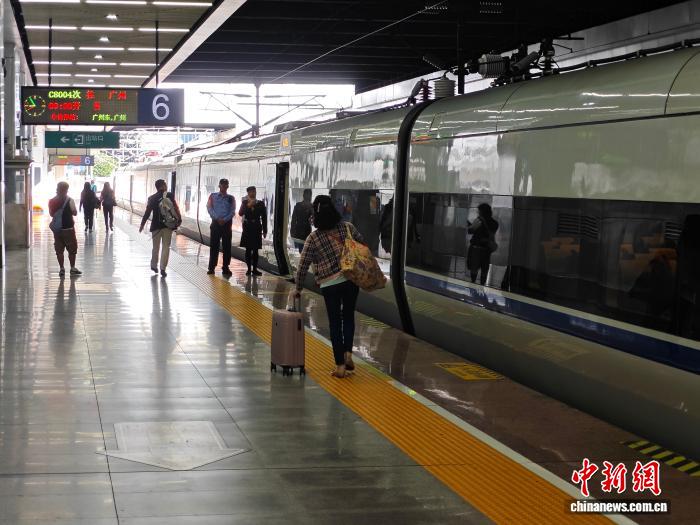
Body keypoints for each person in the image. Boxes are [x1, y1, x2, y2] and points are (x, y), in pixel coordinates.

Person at [295, 195, 365, 378]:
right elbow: (362, 243)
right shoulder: (347, 227)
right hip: (350, 279)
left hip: (329, 284)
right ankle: (348, 353)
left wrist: (298, 288)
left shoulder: (313, 238)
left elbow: (302, 266)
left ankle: (340, 366)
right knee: (348, 317)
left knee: (335, 323)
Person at [139, 179, 182, 278]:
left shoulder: (152, 198)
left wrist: (142, 225)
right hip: (168, 226)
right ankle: (163, 268)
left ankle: (154, 266)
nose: (166, 186)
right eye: (165, 184)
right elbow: (175, 208)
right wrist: (179, 220)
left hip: (155, 226)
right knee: (166, 247)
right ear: (162, 186)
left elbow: (147, 212)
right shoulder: (170, 195)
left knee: (156, 247)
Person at [48, 181, 81, 277]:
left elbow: (51, 214)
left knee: (59, 249)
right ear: (66, 190)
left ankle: (62, 269)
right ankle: (72, 268)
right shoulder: (70, 200)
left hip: (57, 229)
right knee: (72, 249)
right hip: (68, 228)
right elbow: (75, 212)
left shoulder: (51, 201)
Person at [206, 178, 236, 276]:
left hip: (227, 225)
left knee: (227, 247)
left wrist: (225, 219)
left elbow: (232, 211)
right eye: (222, 185)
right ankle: (211, 267)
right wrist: (217, 218)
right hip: (215, 224)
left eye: (225, 185)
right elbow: (209, 208)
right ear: (219, 186)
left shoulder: (231, 198)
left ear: (228, 186)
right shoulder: (212, 196)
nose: (224, 186)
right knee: (214, 246)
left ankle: (225, 267)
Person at [467, 203, 499, 285]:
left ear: (481, 212)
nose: (478, 213)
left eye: (479, 211)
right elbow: (490, 233)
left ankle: (473, 285)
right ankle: (482, 285)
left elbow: (471, 231)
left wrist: (469, 225)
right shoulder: (494, 223)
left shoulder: (479, 220)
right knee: (484, 270)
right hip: (487, 249)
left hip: (476, 249)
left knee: (474, 269)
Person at [238, 185, 267, 276]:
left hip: (257, 227)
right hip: (247, 227)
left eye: (254, 191)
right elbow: (240, 213)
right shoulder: (244, 202)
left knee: (255, 250)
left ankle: (254, 269)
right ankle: (248, 269)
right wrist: (248, 205)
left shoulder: (260, 203)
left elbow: (264, 217)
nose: (253, 193)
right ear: (248, 193)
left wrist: (265, 230)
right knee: (248, 249)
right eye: (251, 192)